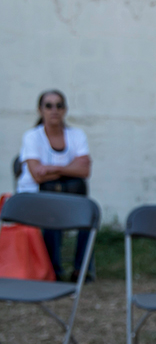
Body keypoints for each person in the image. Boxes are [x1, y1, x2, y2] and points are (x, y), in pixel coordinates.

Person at [17, 89, 93, 282]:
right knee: (52, 215)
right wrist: (69, 168)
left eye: (59, 105)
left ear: (65, 109)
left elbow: (85, 171)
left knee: (87, 214)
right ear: (40, 110)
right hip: (34, 196)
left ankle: (81, 270)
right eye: (48, 105)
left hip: (67, 195)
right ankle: (53, 270)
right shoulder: (32, 137)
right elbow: (36, 175)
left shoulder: (76, 135)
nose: (54, 110)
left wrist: (51, 168)